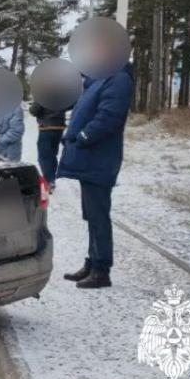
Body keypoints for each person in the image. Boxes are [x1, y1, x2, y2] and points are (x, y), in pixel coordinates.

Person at [57, 64, 134, 289]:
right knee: (92, 215)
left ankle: (102, 270)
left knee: (99, 217)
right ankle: (92, 263)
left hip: (99, 159)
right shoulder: (101, 77)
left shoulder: (118, 77)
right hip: (90, 159)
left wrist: (83, 136)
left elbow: (109, 117)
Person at [29, 101, 68, 189]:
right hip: (59, 127)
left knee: (43, 156)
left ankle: (48, 181)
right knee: (52, 154)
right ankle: (52, 178)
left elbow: (34, 110)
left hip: (46, 127)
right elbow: (71, 105)